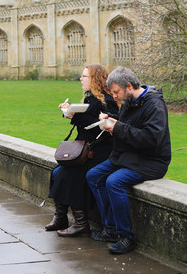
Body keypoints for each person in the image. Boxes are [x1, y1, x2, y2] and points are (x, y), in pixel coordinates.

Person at [86, 66, 171, 255]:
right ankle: (110, 229)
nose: (114, 96)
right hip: (128, 156)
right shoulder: (129, 100)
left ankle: (126, 237)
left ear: (129, 86)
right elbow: (129, 123)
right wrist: (111, 119)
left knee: (113, 182)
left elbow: (150, 139)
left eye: (116, 92)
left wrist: (117, 128)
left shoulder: (154, 105)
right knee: (93, 175)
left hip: (151, 161)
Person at [46, 64, 119, 237]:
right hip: (85, 152)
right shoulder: (90, 98)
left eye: (84, 76)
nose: (81, 79)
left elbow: (100, 129)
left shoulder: (107, 101)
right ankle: (61, 217)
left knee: (68, 175)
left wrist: (75, 115)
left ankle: (81, 223)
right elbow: (86, 125)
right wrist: (70, 112)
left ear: (94, 79)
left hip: (99, 153)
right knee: (56, 172)